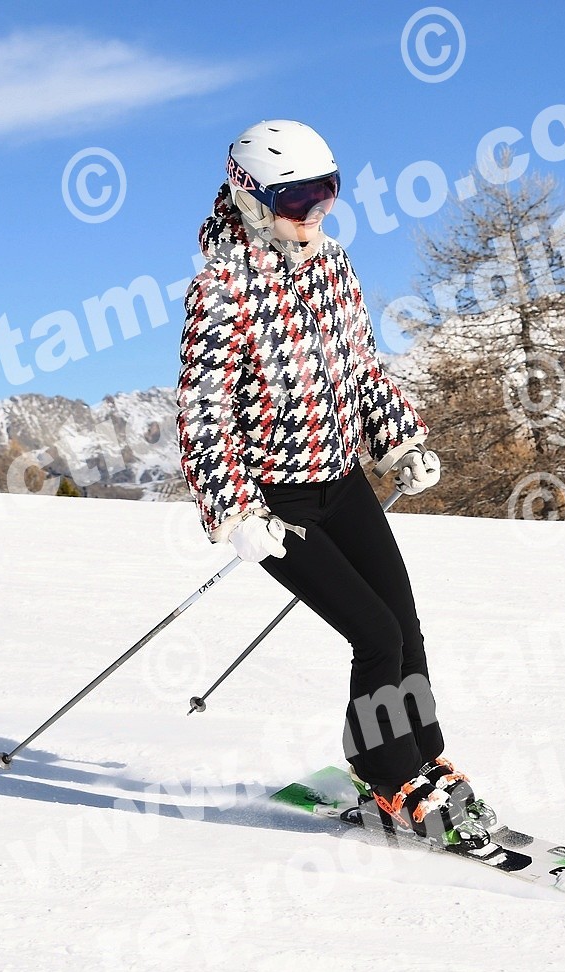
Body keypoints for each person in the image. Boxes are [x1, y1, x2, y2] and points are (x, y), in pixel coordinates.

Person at [176, 119, 494, 849]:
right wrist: (235, 511)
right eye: (298, 199)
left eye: (327, 193)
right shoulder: (221, 287)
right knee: (373, 634)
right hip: (278, 503)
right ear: (252, 198)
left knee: (403, 623)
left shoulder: (334, 266)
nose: (315, 213)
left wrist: (400, 439)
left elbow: (361, 370)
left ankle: (420, 755)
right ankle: (388, 778)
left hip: (342, 478)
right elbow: (203, 411)